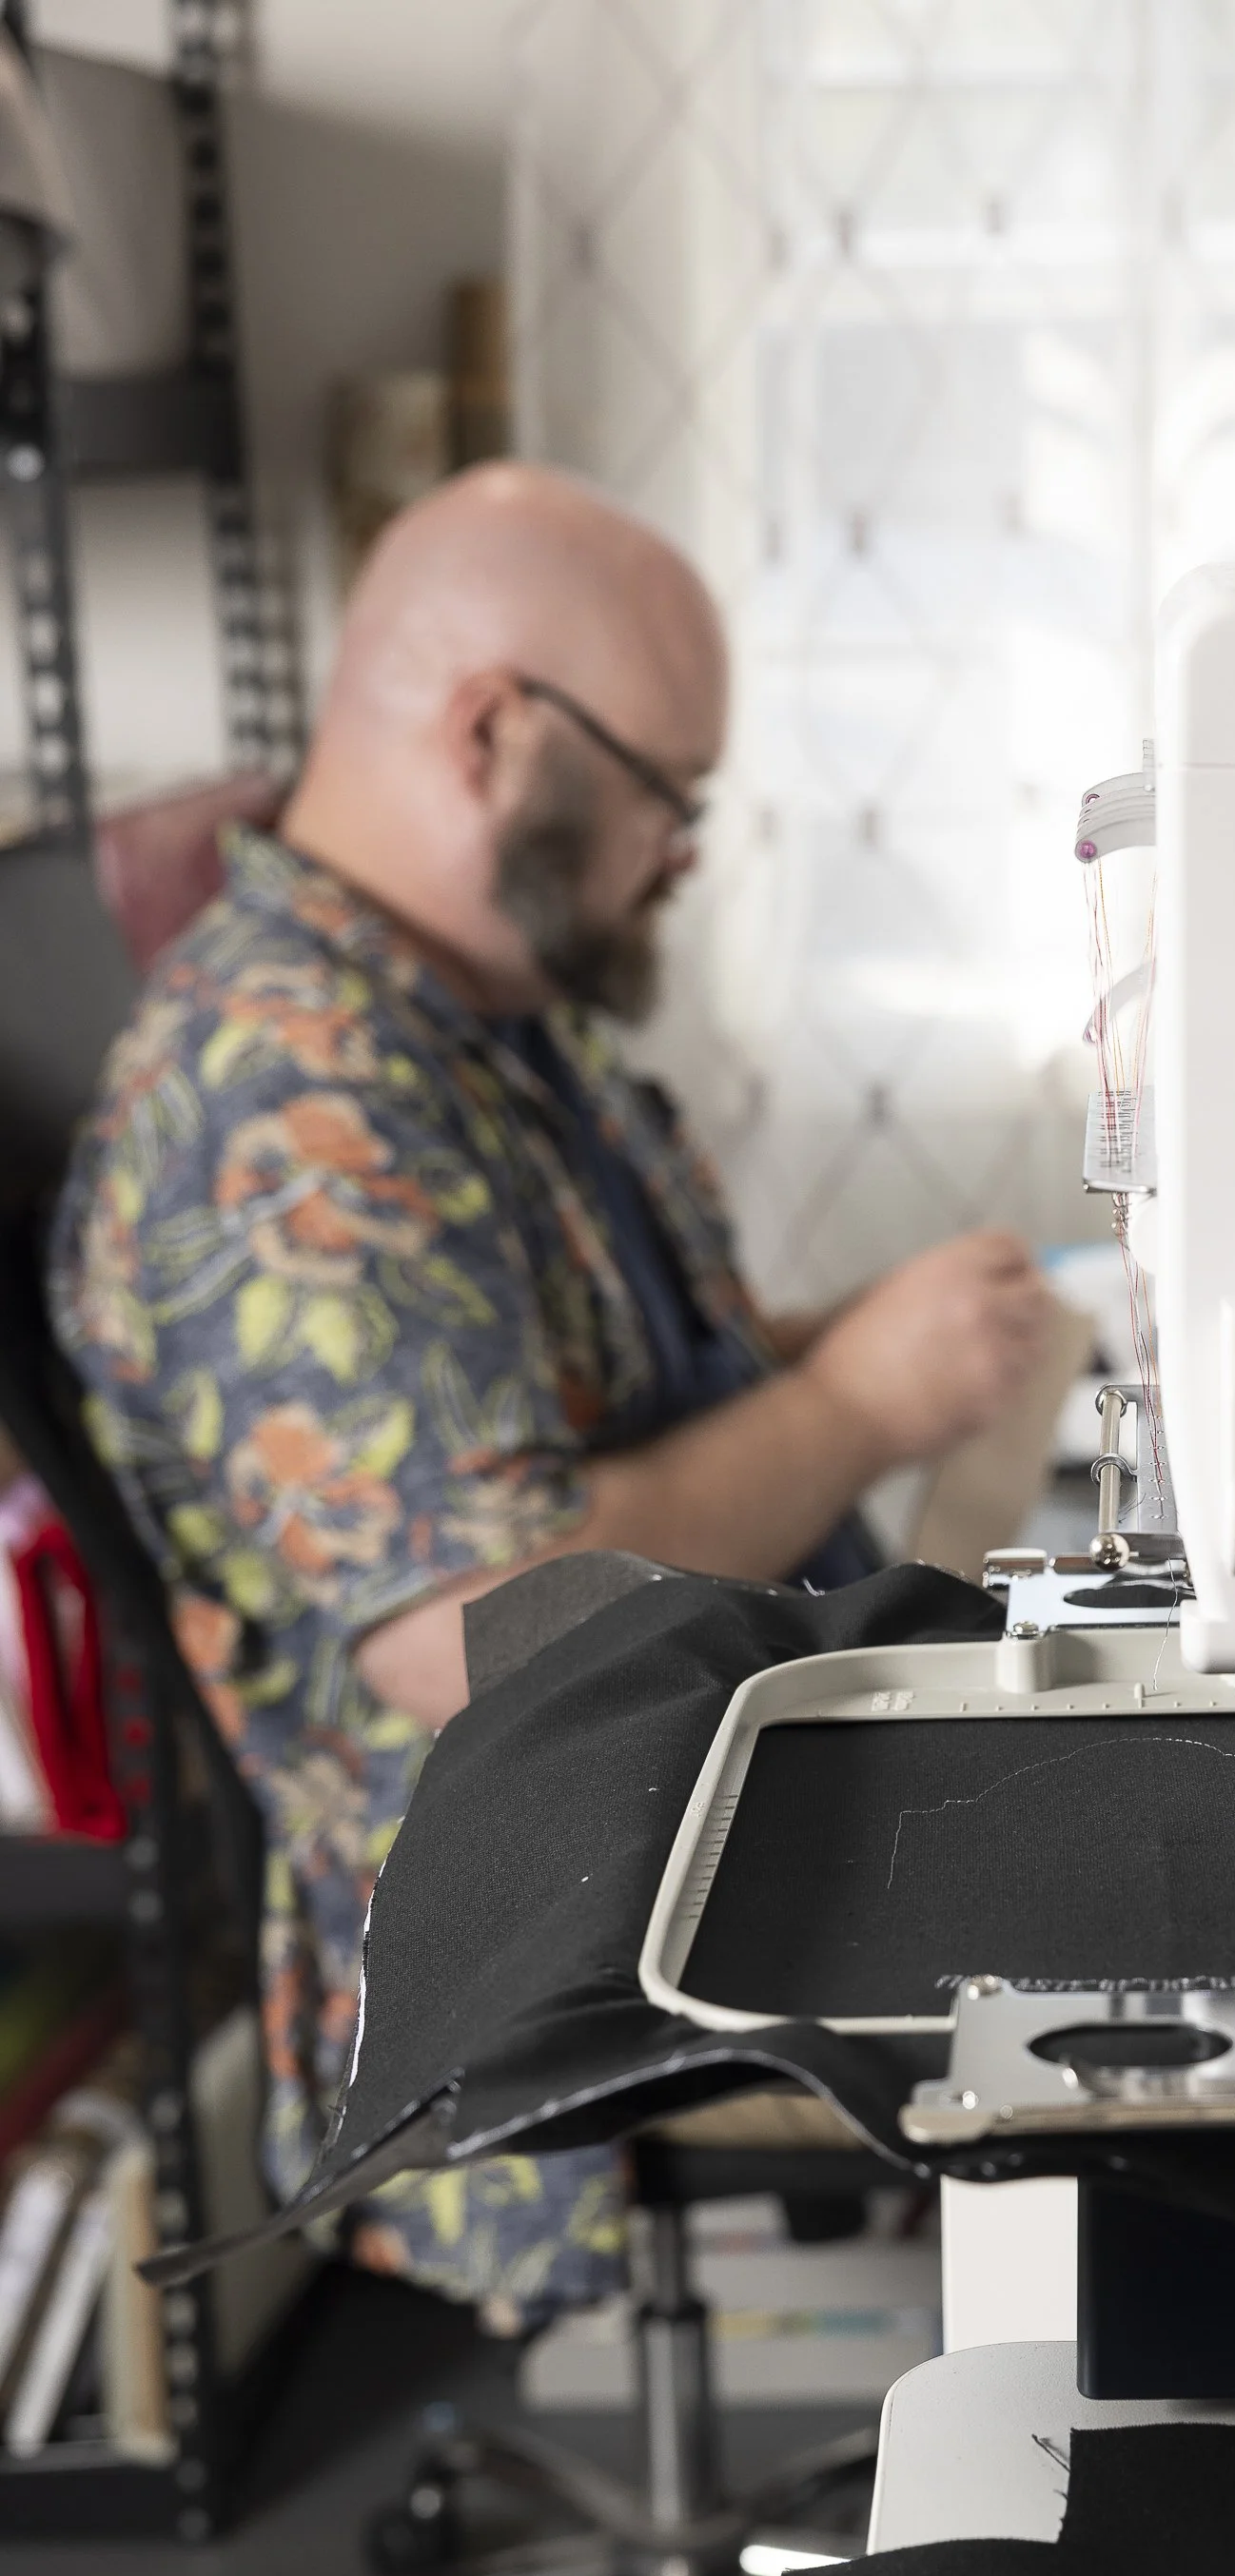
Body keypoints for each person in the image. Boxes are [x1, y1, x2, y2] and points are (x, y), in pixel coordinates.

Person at [49, 464, 1054, 2319]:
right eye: (672, 791)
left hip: (730, 1781)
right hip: (564, 1940)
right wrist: (860, 1405)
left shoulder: (493, 1020)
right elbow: (480, 1623)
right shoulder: (287, 1105)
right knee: (1185, 1954)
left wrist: (865, 1348)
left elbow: (650, 1394)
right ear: (494, 730)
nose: (683, 850)